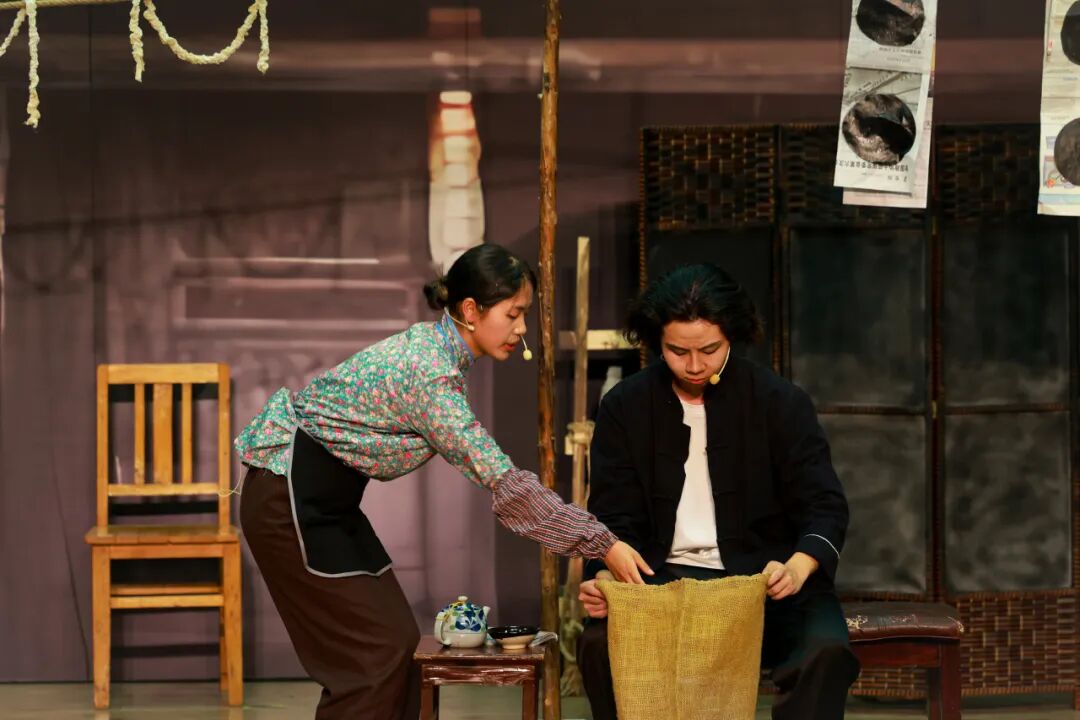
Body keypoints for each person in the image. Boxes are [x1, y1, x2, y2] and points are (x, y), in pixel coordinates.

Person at [234, 243, 649, 720]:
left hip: (327, 503)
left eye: (524, 315)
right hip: (289, 498)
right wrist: (601, 543)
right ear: (471, 310)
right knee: (372, 661)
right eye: (513, 314)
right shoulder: (429, 374)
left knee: (398, 643)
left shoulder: (438, 355)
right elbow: (502, 479)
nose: (521, 329)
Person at [576, 263, 860, 720]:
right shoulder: (625, 406)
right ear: (655, 341)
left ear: (732, 336)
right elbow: (612, 515)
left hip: (766, 582)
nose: (694, 365)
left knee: (824, 651)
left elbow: (824, 505)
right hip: (660, 583)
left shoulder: (779, 402)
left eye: (709, 350)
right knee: (597, 644)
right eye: (677, 351)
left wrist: (798, 566)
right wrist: (603, 574)